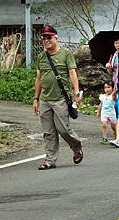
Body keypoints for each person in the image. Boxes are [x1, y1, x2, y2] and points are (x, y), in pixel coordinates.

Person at [32, 25, 83, 170]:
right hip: (44, 100)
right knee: (48, 132)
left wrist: (77, 92)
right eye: (44, 38)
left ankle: (76, 146)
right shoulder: (41, 57)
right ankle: (50, 160)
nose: (46, 40)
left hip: (61, 98)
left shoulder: (66, 54)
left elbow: (72, 73)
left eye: (49, 37)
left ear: (56, 38)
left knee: (63, 129)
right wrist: (36, 98)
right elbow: (39, 78)